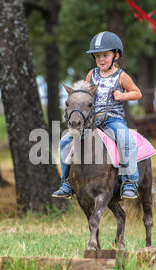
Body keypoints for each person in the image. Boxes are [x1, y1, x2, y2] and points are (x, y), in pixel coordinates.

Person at [52, 31, 142, 199]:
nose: (101, 59)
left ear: (116, 55)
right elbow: (86, 95)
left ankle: (130, 182)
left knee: (126, 139)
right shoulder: (91, 74)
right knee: (65, 141)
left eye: (105, 55)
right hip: (91, 120)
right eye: (98, 56)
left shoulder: (121, 76)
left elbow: (137, 93)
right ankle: (66, 182)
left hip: (112, 119)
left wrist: (123, 95)